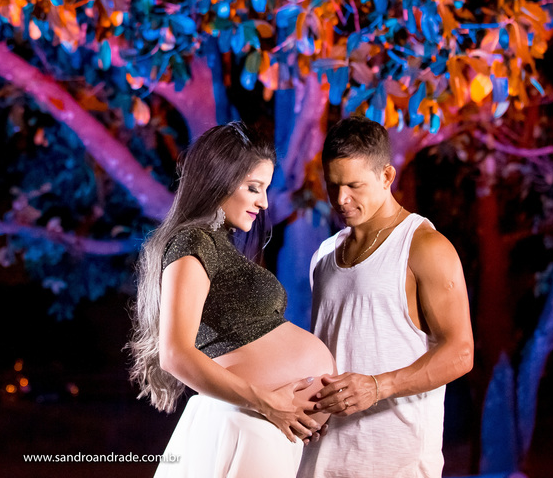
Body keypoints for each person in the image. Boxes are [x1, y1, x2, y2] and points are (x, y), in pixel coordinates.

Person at [128, 122, 335, 477]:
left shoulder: (216, 243)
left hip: (264, 428)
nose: (264, 202)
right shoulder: (193, 242)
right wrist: (267, 402)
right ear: (219, 179)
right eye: (254, 188)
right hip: (250, 422)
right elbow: (175, 354)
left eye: (266, 189)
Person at [297, 116, 474, 478]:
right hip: (319, 464)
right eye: (332, 186)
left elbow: (461, 352)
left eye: (354, 185)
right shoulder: (323, 257)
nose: (341, 199)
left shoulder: (424, 246)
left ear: (387, 176)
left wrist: (378, 386)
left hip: (397, 465)